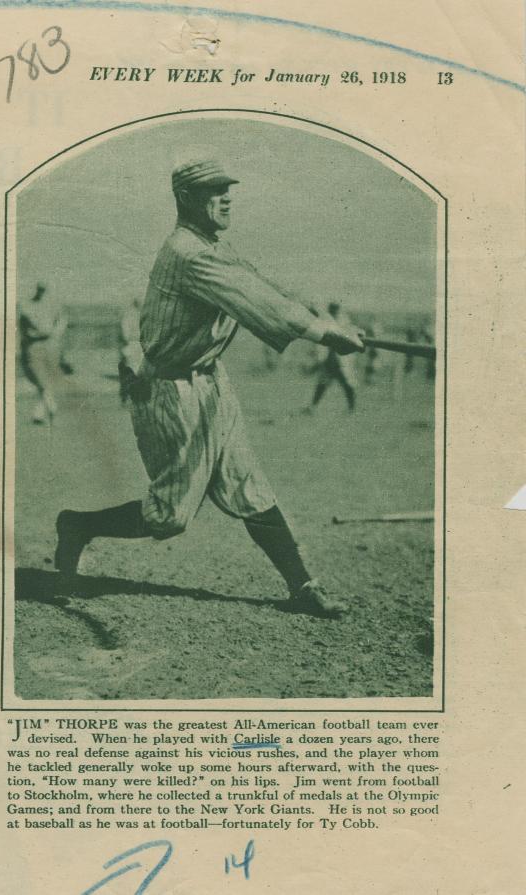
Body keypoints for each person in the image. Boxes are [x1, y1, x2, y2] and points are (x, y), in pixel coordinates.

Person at [55, 159, 365, 617]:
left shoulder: (214, 245)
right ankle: (78, 525)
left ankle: (304, 587)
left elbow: (264, 283)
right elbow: (255, 299)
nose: (226, 197)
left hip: (212, 383)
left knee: (251, 488)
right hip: (170, 391)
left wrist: (322, 317)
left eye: (228, 189)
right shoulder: (188, 253)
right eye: (213, 190)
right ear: (185, 199)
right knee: (170, 517)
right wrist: (323, 335)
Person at [18, 283, 68, 424]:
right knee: (39, 380)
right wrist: (50, 331)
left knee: (47, 381)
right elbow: (36, 327)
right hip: (33, 347)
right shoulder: (27, 305)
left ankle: (40, 413)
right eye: (40, 289)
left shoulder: (53, 306)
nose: (42, 292)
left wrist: (56, 333)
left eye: (44, 289)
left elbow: (62, 320)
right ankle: (50, 407)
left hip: (50, 346)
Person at [302, 301, 359, 413]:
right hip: (330, 360)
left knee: (347, 384)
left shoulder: (344, 322)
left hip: (341, 359)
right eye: (332, 310)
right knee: (322, 384)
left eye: (335, 310)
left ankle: (352, 408)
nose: (333, 312)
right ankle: (313, 407)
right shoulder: (327, 321)